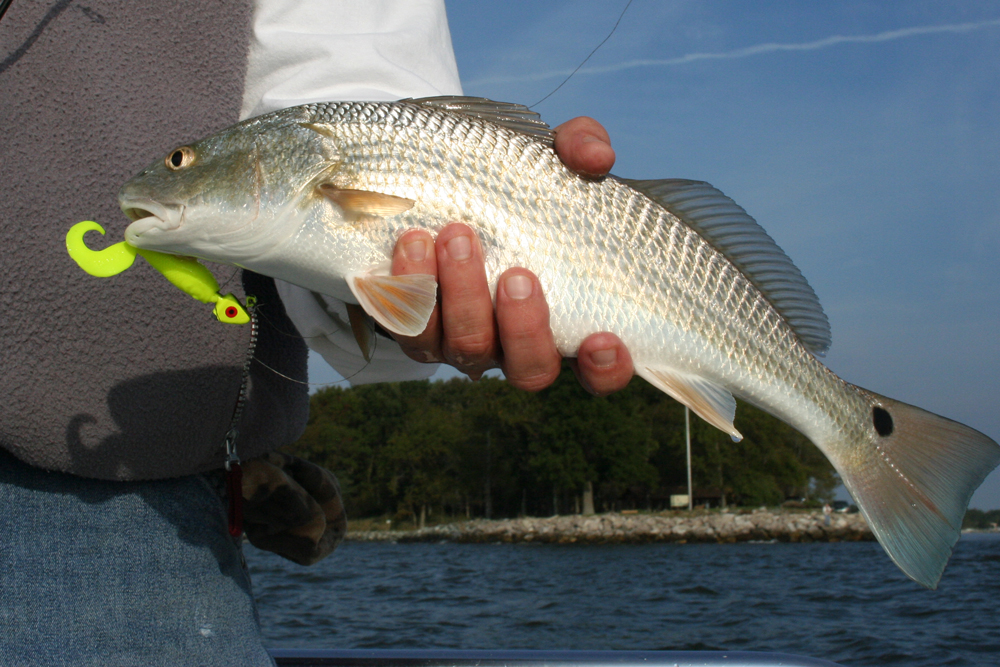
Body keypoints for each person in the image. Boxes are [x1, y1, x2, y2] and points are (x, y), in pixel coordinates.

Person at [0, 1, 632, 664]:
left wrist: (381, 297)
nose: (166, 175)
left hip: (115, 499)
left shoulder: (324, 165)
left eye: (182, 162)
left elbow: (351, 71)